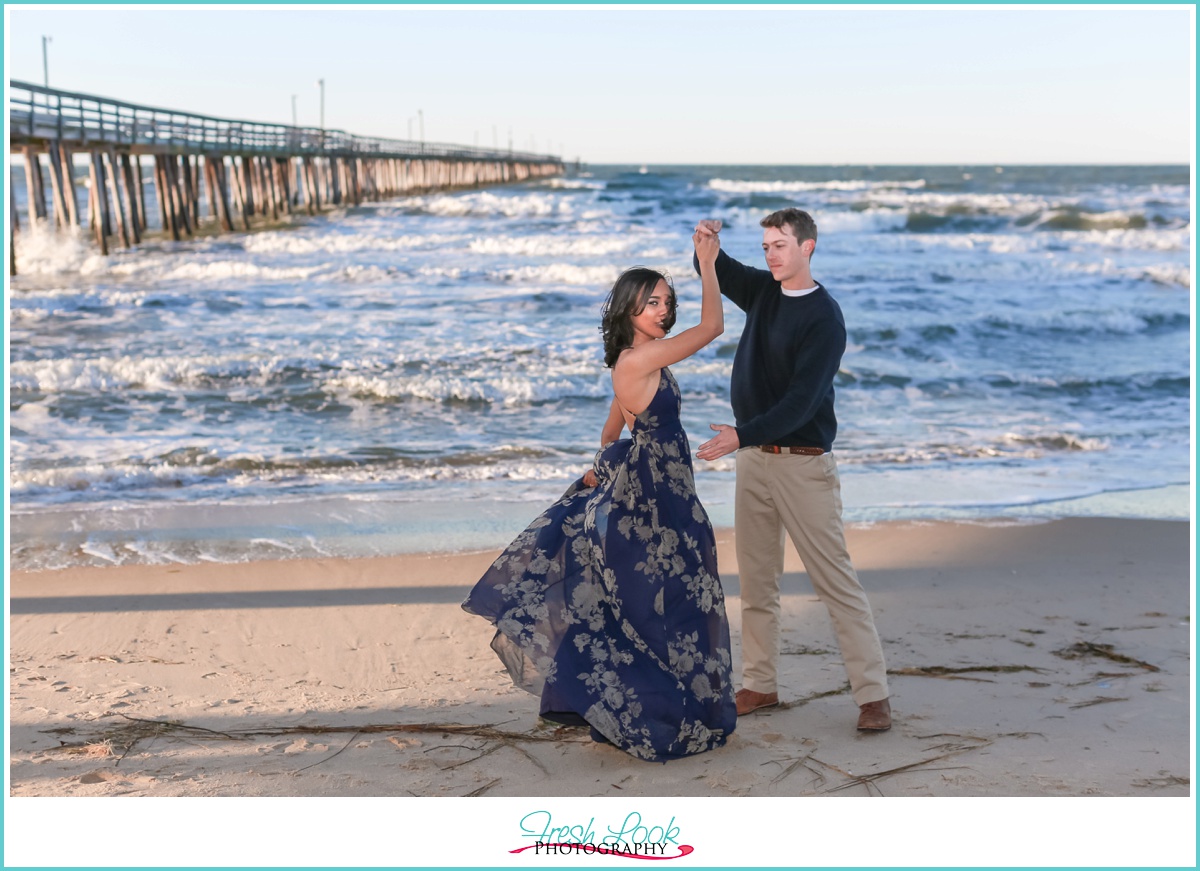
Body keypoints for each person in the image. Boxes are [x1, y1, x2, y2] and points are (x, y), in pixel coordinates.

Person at [462, 230, 737, 761]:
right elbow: (716, 325)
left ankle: (670, 707)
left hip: (664, 495)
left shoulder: (639, 361)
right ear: (629, 309)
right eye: (652, 301)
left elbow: (611, 435)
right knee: (674, 601)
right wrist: (708, 264)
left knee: (675, 600)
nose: (662, 310)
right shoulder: (637, 363)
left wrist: (613, 465)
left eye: (666, 302)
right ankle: (662, 713)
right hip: (658, 502)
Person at [692, 209, 891, 732]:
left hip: (804, 467)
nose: (772, 255)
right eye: (766, 247)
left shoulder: (825, 317)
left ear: (808, 247)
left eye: (781, 245)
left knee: (835, 582)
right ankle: (760, 685)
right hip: (754, 463)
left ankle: (874, 696)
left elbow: (803, 403)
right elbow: (715, 268)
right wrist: (704, 244)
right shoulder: (764, 291)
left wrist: (740, 434)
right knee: (757, 584)